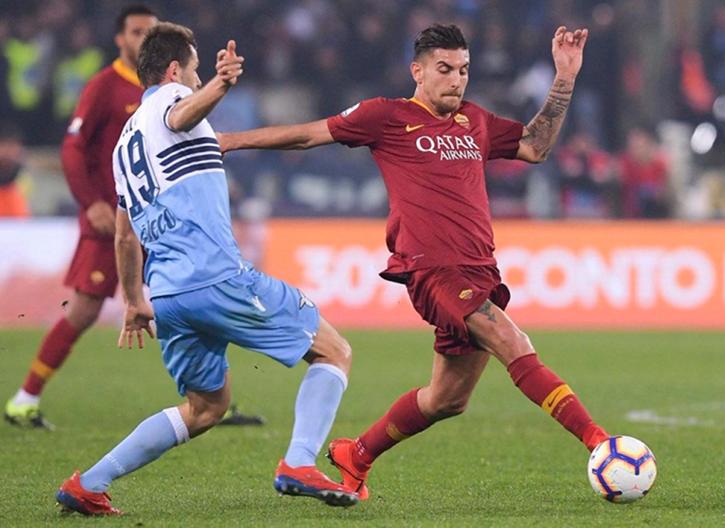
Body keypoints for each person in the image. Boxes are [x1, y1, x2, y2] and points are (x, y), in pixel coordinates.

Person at [219, 24, 609, 500]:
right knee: (512, 341)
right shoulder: (386, 116)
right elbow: (307, 135)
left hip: (480, 269)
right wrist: (230, 140)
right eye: (445, 69)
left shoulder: (474, 121)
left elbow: (534, 146)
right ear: (418, 71)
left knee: (447, 399)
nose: (456, 79)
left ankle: (357, 454)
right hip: (432, 270)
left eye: (463, 70)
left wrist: (564, 77)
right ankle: (600, 444)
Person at [55, 23, 358, 515]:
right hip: (216, 277)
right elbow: (181, 113)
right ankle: (299, 462)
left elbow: (124, 236)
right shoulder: (173, 100)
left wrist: (134, 301)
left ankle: (88, 482)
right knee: (334, 351)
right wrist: (222, 83)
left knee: (206, 407)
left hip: (168, 295)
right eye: (195, 71)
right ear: (175, 70)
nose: (197, 80)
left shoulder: (124, 147)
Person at [4, 5, 157, 429]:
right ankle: (24, 399)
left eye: (151, 32)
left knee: (190, 302)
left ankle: (215, 401)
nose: (144, 39)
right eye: (136, 31)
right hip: (109, 221)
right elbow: (72, 149)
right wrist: (90, 203)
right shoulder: (104, 86)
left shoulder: (163, 87)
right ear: (120, 39)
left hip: (156, 220)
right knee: (84, 310)